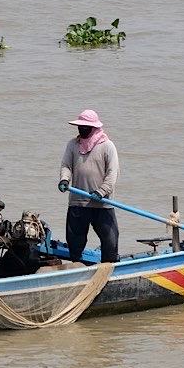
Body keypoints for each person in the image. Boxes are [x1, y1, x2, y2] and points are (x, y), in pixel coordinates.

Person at [57, 109, 120, 263]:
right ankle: (77, 267)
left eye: (85, 127)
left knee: (110, 240)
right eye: (80, 126)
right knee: (74, 241)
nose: (81, 129)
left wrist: (101, 191)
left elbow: (113, 173)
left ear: (93, 128)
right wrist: (64, 179)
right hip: (78, 202)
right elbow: (66, 165)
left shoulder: (107, 146)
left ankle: (108, 269)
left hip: (102, 203)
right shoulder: (73, 145)